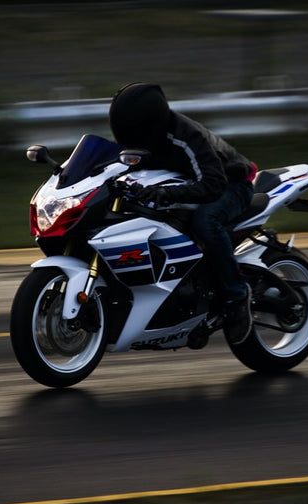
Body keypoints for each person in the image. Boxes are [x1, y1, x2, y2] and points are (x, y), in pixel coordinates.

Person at [108, 82, 257, 344]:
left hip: (232, 184)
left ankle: (236, 295)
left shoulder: (185, 137)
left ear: (149, 123)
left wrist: (168, 195)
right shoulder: (137, 139)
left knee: (205, 221)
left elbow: (213, 184)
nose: (125, 135)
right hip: (190, 184)